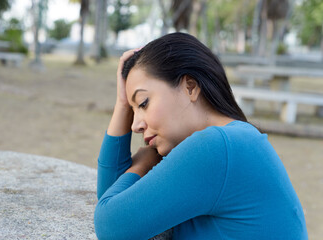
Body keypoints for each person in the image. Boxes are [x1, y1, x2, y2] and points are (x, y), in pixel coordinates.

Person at [94, 32, 308, 240]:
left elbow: (111, 226)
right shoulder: (233, 141)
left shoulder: (217, 147)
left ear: (190, 87)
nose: (135, 126)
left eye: (143, 103)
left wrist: (142, 164)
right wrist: (123, 104)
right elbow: (111, 196)